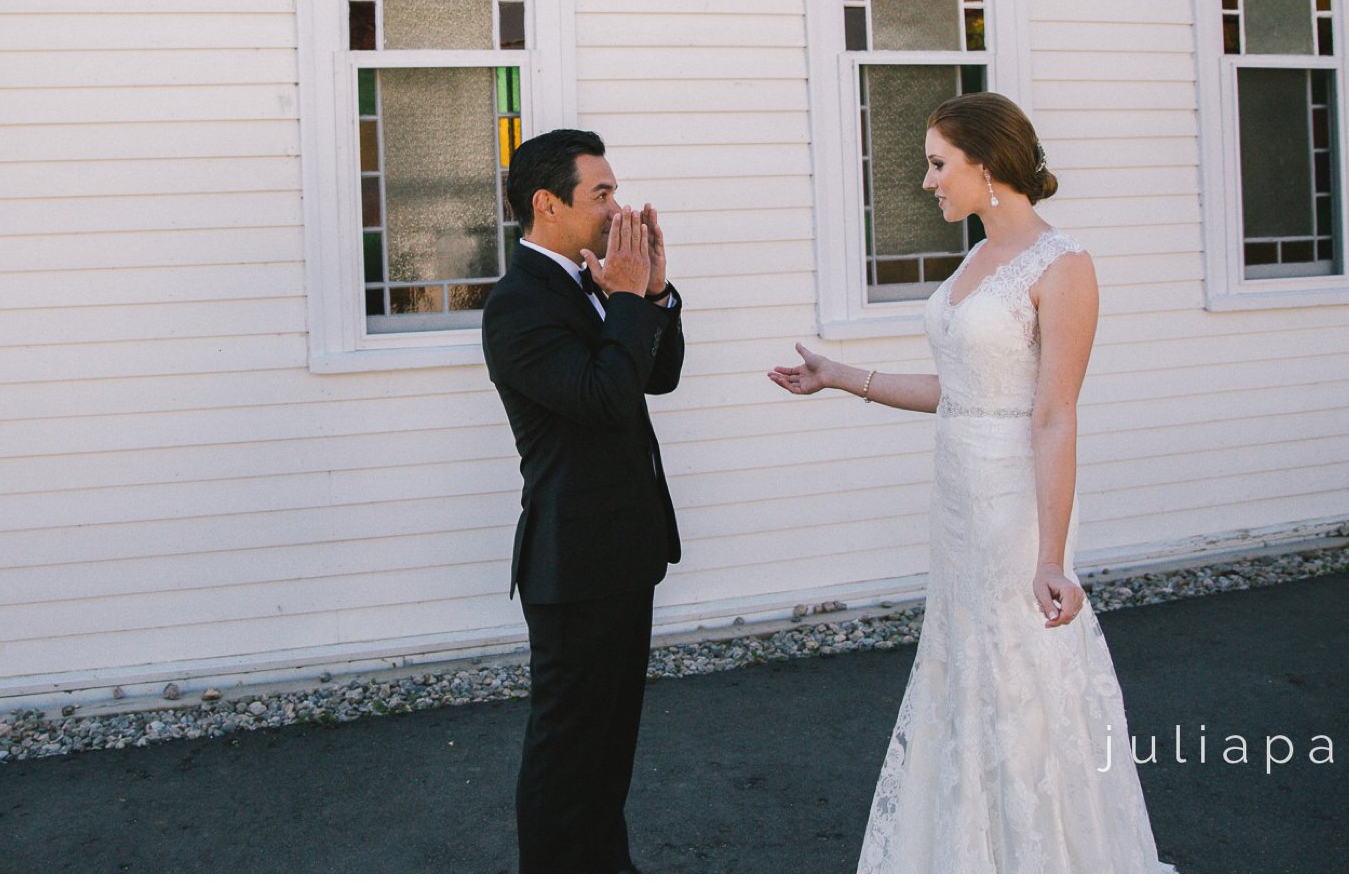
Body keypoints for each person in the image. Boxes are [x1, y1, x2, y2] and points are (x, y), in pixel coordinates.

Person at [769, 92, 1173, 873]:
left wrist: (1052, 556)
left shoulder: (1065, 266)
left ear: (986, 165)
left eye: (937, 164)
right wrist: (837, 376)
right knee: (964, 670)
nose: (928, 183)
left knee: (1020, 676)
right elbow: (960, 389)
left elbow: (1054, 415)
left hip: (1014, 506)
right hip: (957, 501)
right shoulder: (977, 256)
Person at [483, 128, 684, 873]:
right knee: (568, 756)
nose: (615, 207)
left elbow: (655, 377)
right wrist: (629, 297)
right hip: (573, 560)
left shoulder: (594, 280)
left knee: (608, 751)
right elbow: (604, 398)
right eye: (601, 194)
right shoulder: (518, 306)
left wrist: (653, 291)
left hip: (625, 550)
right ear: (548, 203)